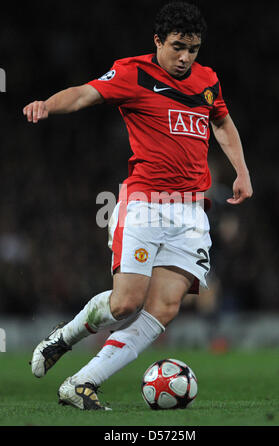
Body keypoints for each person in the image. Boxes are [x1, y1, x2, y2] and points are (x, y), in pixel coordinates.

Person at [23, 2, 253, 411]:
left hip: (191, 212)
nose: (185, 58)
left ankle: (81, 383)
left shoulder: (207, 81)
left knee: (164, 308)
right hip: (145, 202)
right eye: (178, 46)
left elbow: (221, 121)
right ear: (158, 41)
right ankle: (64, 337)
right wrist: (47, 104)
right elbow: (83, 95)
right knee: (125, 302)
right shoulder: (133, 73)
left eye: (194, 49)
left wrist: (241, 171)